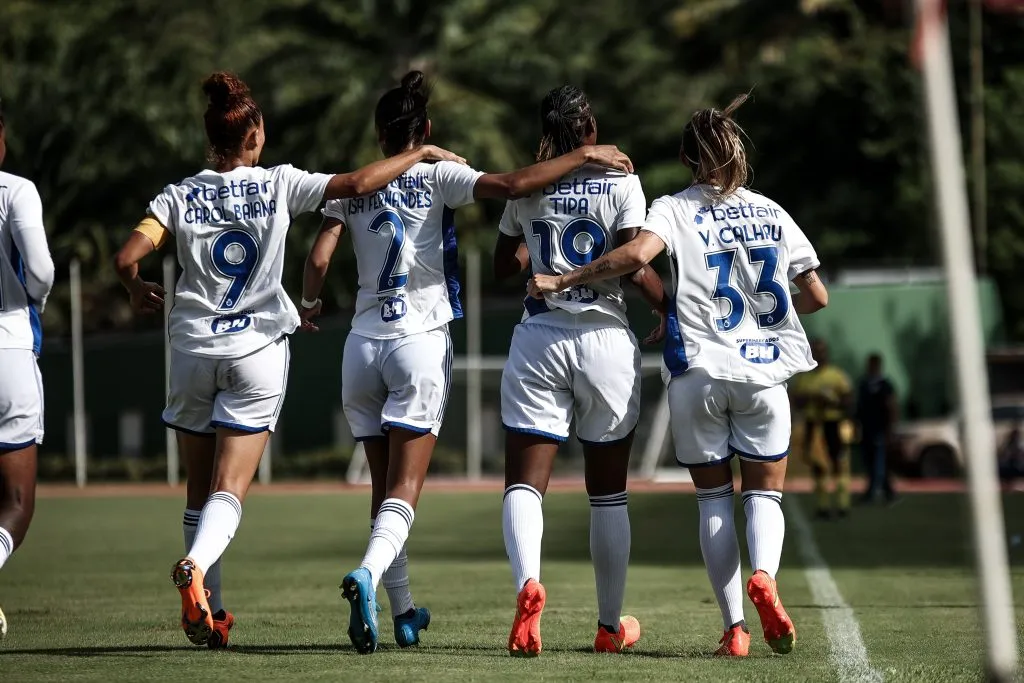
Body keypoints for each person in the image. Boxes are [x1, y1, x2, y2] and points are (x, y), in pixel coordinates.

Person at [112, 72, 465, 649]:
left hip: (191, 350)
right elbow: (355, 182)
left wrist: (133, 287)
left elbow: (128, 256)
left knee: (197, 490)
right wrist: (421, 152)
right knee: (229, 490)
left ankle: (215, 611)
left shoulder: (178, 195)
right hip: (255, 350)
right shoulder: (280, 183)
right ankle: (196, 566)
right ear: (253, 134)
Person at [298, 72, 634, 656]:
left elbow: (321, 256)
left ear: (379, 135)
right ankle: (370, 577)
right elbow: (511, 184)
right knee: (405, 490)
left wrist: (307, 305)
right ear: (425, 130)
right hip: (421, 341)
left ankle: (402, 611)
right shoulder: (439, 173)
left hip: (362, 344)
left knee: (383, 491)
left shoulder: (353, 186)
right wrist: (584, 154)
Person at [529, 94, 830, 657]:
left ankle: (736, 629)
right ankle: (764, 575)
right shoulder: (772, 211)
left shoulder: (673, 207)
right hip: (765, 375)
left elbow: (633, 256)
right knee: (766, 493)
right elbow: (816, 295)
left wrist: (566, 279)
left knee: (714, 499)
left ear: (689, 160)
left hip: (700, 374)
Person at [490, 84, 665, 657]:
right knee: (608, 493)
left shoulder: (531, 179)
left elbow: (503, 264)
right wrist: (669, 308)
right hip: (605, 339)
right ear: (590, 130)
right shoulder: (621, 180)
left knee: (524, 484)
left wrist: (540, 252)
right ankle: (610, 626)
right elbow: (634, 265)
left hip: (539, 336)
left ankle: (528, 590)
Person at [0, 98, 56, 639]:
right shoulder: (15, 189)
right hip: (8, 348)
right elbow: (38, 268)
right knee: (16, 503)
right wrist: (33, 299)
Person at [791, 339, 853, 518]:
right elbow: (796, 400)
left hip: (832, 423)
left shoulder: (836, 375)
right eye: (815, 351)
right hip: (813, 423)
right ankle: (823, 505)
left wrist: (832, 401)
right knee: (816, 464)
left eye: (822, 351)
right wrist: (811, 397)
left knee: (838, 463)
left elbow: (848, 400)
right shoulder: (804, 376)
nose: (819, 354)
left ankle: (843, 504)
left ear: (827, 353)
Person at [855, 353, 898, 503]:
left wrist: (890, 429)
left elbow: (891, 406)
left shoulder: (885, 385)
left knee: (879, 461)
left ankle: (875, 491)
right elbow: (859, 407)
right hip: (867, 428)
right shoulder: (863, 384)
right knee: (869, 460)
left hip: (880, 428)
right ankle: (886, 491)